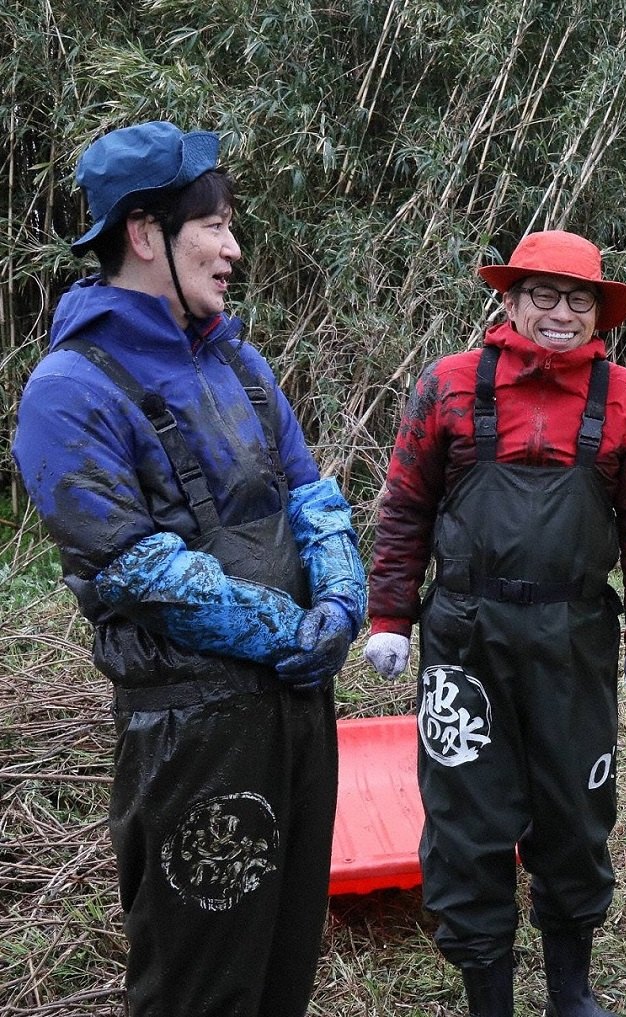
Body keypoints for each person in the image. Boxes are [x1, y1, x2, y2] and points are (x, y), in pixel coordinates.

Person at [11, 121, 364, 1017]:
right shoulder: (69, 390)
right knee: (200, 985)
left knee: (285, 962)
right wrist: (292, 629)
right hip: (189, 732)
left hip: (297, 709)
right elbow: (134, 567)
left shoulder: (240, 364)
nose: (233, 248)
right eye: (215, 225)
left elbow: (312, 495)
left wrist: (342, 602)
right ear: (143, 231)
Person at [363, 229, 626, 1017]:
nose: (561, 313)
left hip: (573, 634)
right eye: (543, 294)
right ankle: (488, 999)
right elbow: (405, 505)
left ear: (600, 314)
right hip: (465, 633)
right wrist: (391, 613)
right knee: (466, 817)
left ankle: (571, 991)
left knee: (575, 812)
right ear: (508, 300)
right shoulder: (449, 384)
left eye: (579, 299)